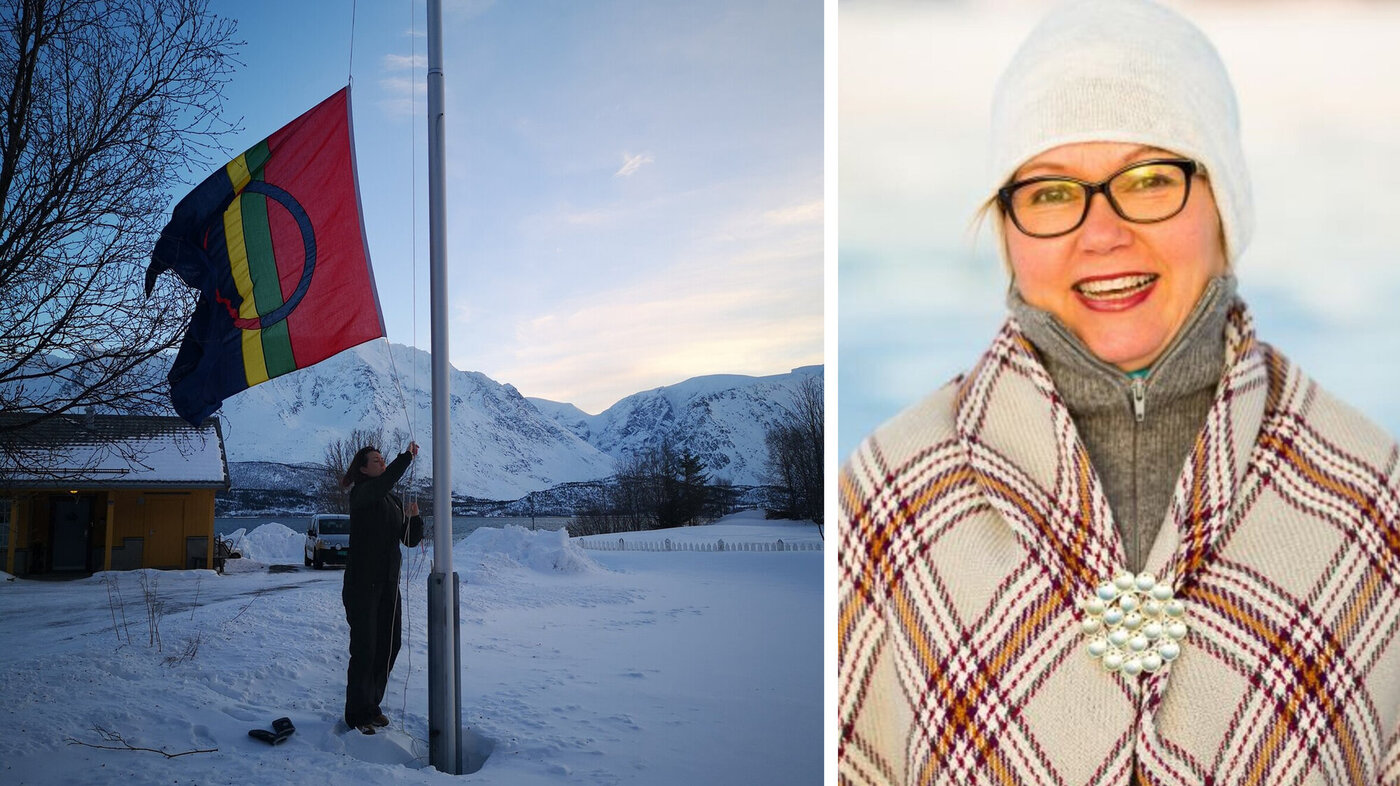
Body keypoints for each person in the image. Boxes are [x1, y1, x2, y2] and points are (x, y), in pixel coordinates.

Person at [837, 2, 1400, 785]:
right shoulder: (891, 492)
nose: (1100, 233)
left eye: (1148, 179)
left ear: (1223, 204)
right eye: (1050, 193)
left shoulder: (1371, 492)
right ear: (1007, 227)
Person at [340, 441, 424, 734]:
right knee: (365, 649)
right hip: (363, 586)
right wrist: (406, 458)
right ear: (363, 469)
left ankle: (371, 705)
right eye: (376, 461)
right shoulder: (362, 494)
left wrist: (415, 519)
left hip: (388, 585)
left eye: (382, 460)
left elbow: (409, 540)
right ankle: (356, 714)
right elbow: (387, 480)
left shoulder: (391, 500)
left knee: (389, 646)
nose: (382, 464)